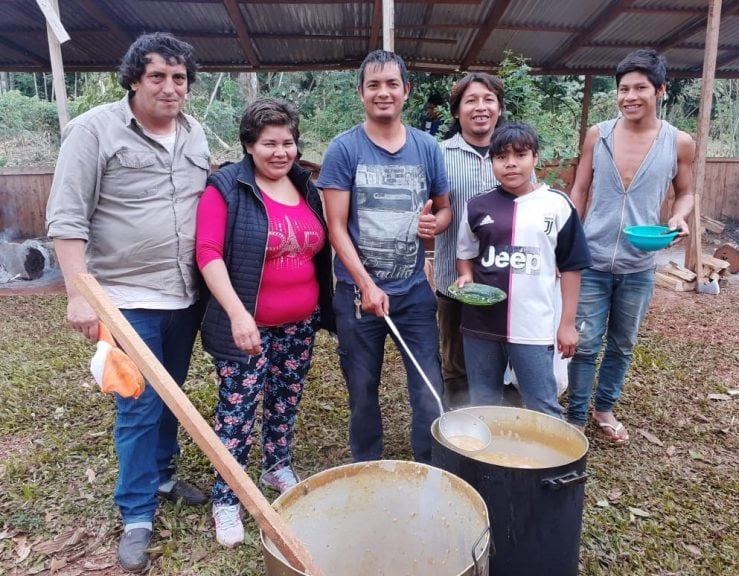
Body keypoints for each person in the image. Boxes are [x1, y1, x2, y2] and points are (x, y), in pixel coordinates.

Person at [45, 32, 211, 573]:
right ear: (134, 79)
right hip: (122, 299)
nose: (170, 87)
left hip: (183, 294)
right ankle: (137, 513)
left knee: (171, 393)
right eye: (157, 76)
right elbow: (67, 217)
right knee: (137, 403)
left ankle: (162, 475)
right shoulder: (94, 130)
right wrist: (77, 294)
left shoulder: (196, 134)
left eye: (179, 78)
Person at [195, 97, 334, 547]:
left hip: (299, 323)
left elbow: (320, 248)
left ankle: (276, 464)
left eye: (288, 142)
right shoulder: (227, 188)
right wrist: (238, 314)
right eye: (269, 143)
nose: (281, 152)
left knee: (284, 401)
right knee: (237, 411)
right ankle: (227, 498)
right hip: (246, 326)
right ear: (249, 146)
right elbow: (208, 254)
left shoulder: (305, 186)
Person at [317, 50, 451, 464]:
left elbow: (445, 209)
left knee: (429, 388)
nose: (383, 92)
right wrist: (365, 284)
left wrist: (437, 225)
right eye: (373, 85)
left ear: (406, 91)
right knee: (361, 389)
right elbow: (335, 226)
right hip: (359, 297)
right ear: (361, 93)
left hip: (413, 293)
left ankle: (430, 466)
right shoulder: (344, 149)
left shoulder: (427, 147)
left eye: (392, 83)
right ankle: (367, 464)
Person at [566, 49, 694, 442]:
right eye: (623, 89)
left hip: (640, 263)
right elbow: (581, 189)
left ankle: (604, 408)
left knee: (622, 343)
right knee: (584, 342)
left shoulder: (679, 142)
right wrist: (567, 237)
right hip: (592, 258)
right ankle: (574, 416)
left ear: (660, 90)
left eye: (640, 88)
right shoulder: (598, 134)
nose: (630, 97)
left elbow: (686, 191)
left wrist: (678, 216)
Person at [455, 123, 592, 418]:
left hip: (533, 325)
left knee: (542, 403)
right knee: (483, 401)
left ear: (536, 158)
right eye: (501, 157)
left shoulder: (557, 206)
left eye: (520, 154)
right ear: (491, 162)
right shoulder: (477, 206)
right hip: (481, 324)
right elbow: (465, 255)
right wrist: (465, 274)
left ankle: (555, 464)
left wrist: (567, 325)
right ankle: (487, 461)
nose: (511, 163)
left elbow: (571, 268)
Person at [433, 72, 505, 409]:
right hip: (453, 281)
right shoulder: (439, 155)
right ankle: (459, 424)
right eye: (471, 100)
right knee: (456, 359)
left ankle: (495, 416)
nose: (481, 107)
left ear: (500, 109)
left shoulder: (513, 154)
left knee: (500, 352)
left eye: (488, 99)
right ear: (457, 111)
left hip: (506, 278)